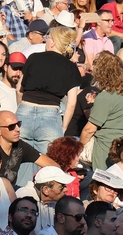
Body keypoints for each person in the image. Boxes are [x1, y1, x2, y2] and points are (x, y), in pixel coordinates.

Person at [17, 26, 81, 156]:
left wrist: (20, 108)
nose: (46, 40)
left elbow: (19, 89)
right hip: (50, 115)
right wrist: (63, 127)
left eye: (48, 38)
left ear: (53, 42)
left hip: (25, 110)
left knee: (18, 159)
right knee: (48, 164)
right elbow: (72, 102)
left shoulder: (33, 58)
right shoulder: (71, 67)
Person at [80, 52, 123, 171]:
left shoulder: (106, 97)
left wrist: (78, 148)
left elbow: (89, 129)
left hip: (104, 151)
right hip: (120, 150)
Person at [0, 110, 56, 187]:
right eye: (11, 127)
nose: (18, 129)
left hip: (11, 192)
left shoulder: (20, 145)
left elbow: (52, 165)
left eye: (18, 124)